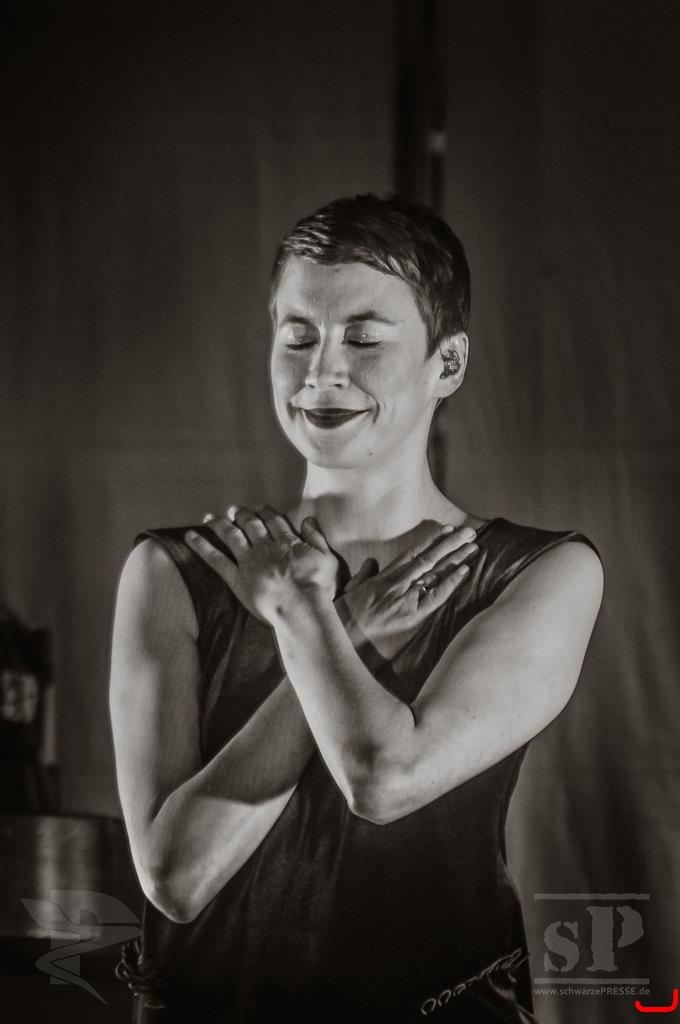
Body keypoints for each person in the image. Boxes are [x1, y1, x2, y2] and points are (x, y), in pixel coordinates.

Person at [109, 194, 604, 1023]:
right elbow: (176, 878)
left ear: (447, 363)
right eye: (298, 336)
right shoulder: (172, 571)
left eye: (365, 340)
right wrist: (352, 625)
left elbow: (383, 777)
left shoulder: (543, 572)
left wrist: (304, 611)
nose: (322, 371)